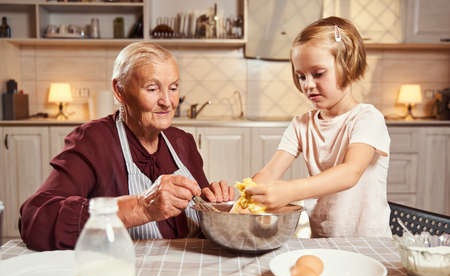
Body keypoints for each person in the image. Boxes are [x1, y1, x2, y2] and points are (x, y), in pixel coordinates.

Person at [20, 42, 234, 251]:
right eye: (152, 89)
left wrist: (215, 204)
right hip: (128, 273)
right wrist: (140, 208)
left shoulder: (182, 142)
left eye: (173, 88)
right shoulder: (93, 141)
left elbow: (204, 223)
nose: (168, 102)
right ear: (119, 90)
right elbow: (34, 220)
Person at [245, 16, 391, 238]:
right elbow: (270, 172)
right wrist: (244, 195)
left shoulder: (367, 119)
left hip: (369, 242)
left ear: (348, 66)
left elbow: (350, 173)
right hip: (322, 240)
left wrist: (291, 190)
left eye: (318, 73)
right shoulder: (301, 125)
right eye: (301, 76)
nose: (308, 85)